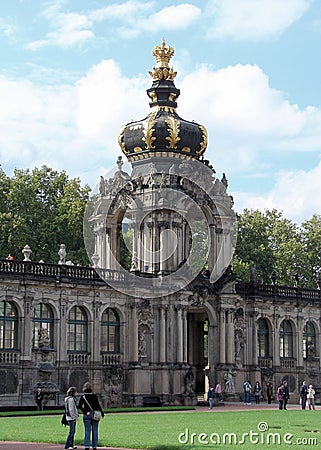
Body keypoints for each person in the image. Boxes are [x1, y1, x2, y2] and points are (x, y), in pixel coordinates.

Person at [78, 382, 104, 450]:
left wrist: (85, 412)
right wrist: (102, 412)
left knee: (87, 430)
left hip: (87, 414)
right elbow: (98, 405)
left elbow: (79, 406)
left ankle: (87, 446)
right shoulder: (94, 396)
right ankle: (94, 446)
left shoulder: (83, 396)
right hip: (94, 413)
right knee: (95, 430)